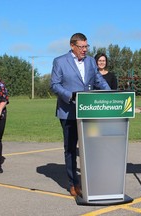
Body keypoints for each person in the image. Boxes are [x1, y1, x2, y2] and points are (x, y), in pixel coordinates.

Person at [50, 33, 111, 196]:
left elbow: (99, 80)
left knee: (91, 147)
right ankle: (73, 183)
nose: (85, 50)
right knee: (70, 149)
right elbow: (54, 85)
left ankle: (91, 181)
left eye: (86, 46)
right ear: (72, 46)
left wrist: (111, 94)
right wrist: (70, 95)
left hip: (89, 113)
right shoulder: (60, 61)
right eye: (82, 47)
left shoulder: (91, 61)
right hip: (68, 113)